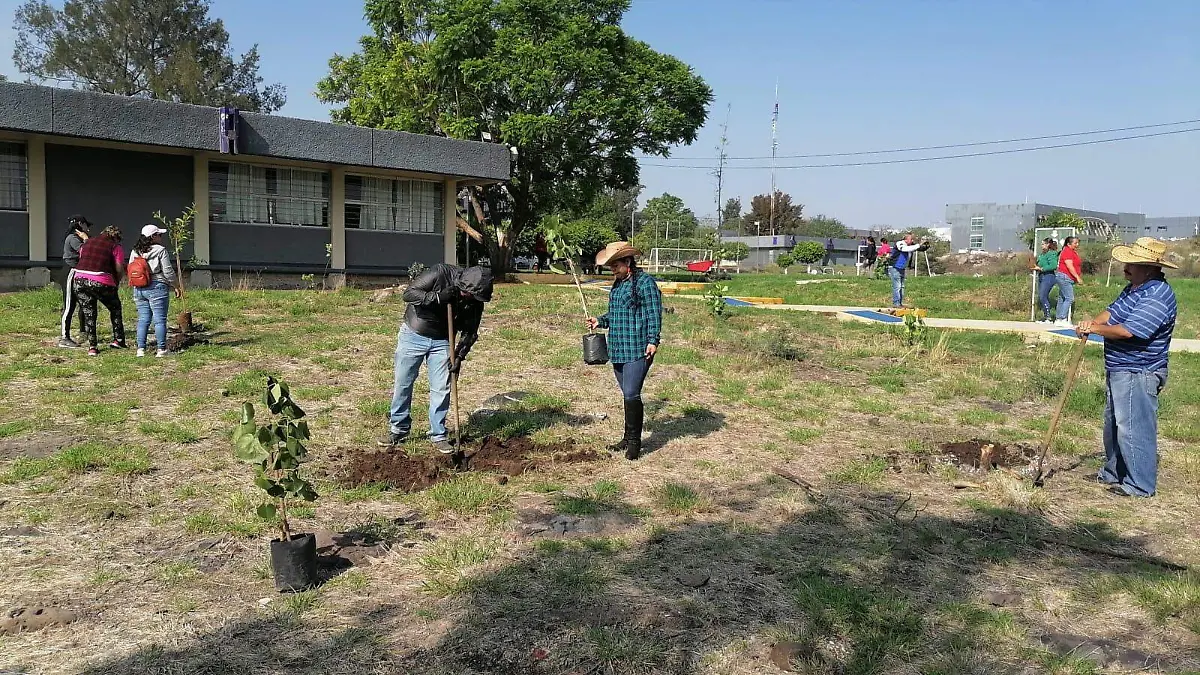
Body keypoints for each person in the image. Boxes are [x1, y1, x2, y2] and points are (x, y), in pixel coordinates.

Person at [1076, 238, 1177, 498]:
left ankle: (1139, 485)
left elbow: (1128, 331)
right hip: (1120, 368)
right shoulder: (1134, 289)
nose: (1126, 268)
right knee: (1114, 425)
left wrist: (1095, 329)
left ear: (1149, 268)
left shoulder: (1156, 295)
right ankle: (1114, 472)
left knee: (1134, 427)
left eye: (1132, 264)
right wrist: (1091, 323)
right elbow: (1111, 314)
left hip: (1139, 371)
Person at [380, 263, 494, 451]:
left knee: (442, 387)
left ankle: (438, 434)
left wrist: (459, 356)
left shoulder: (475, 300)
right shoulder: (441, 273)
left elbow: (470, 332)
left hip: (443, 340)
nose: (469, 298)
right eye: (467, 294)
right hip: (414, 334)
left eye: (474, 297)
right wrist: (438, 297)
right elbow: (409, 294)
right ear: (462, 283)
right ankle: (398, 429)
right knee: (403, 382)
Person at [586, 242, 663, 461]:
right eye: (611, 267)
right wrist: (599, 321)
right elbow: (615, 313)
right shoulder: (618, 285)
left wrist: (653, 340)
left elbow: (654, 313)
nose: (613, 270)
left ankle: (635, 443)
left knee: (631, 393)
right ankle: (627, 437)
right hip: (618, 347)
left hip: (638, 347)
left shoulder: (645, 283)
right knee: (627, 395)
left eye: (615, 266)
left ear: (627, 262)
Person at [129, 224, 182, 357]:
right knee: (159, 320)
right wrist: (176, 286)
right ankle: (161, 349)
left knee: (143, 319)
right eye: (159, 235)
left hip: (139, 287)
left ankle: (140, 349)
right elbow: (168, 271)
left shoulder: (135, 251)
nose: (161, 237)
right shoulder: (160, 250)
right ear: (153, 236)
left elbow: (130, 267)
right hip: (157, 286)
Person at [73, 226, 127, 356]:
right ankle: (118, 340)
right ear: (116, 238)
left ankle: (92, 347)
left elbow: (82, 257)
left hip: (79, 279)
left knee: (89, 313)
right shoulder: (115, 247)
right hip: (101, 280)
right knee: (115, 308)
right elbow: (119, 268)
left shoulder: (87, 243)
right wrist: (117, 281)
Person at [58, 215, 91, 348]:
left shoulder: (78, 238)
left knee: (84, 302)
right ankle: (64, 338)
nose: (88, 228)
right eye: (86, 225)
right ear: (80, 224)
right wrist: (86, 239)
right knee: (69, 305)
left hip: (79, 272)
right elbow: (86, 251)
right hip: (70, 272)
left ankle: (83, 331)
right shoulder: (73, 238)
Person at [885, 233, 925, 308]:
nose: (912, 241)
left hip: (901, 268)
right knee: (897, 286)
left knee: (902, 286)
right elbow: (904, 249)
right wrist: (918, 245)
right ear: (906, 239)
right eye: (911, 239)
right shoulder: (900, 243)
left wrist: (923, 246)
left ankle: (900, 303)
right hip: (895, 267)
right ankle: (896, 303)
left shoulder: (909, 246)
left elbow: (917, 248)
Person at [1031, 237, 1060, 324]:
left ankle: (1048, 317)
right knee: (1042, 296)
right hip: (1041, 276)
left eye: (1043, 244)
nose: (1042, 246)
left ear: (1048, 244)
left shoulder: (1052, 254)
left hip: (1049, 276)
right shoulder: (1042, 254)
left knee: (1042, 296)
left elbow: (1053, 265)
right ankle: (1045, 316)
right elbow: (1040, 263)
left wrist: (1041, 268)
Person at [1055, 236, 1083, 327]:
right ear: (1069, 244)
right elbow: (1069, 266)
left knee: (1062, 298)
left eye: (1077, 243)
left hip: (1065, 277)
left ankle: (1058, 319)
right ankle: (1063, 318)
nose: (1077, 245)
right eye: (1075, 243)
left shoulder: (1072, 252)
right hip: (1065, 277)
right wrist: (1077, 277)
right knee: (1069, 298)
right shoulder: (1067, 251)